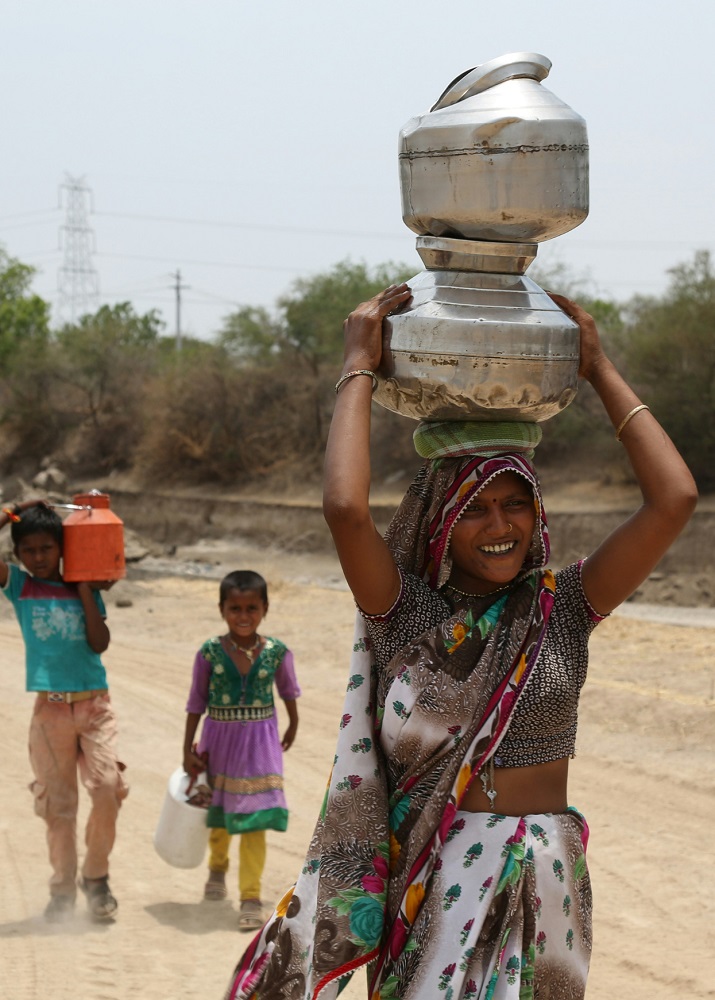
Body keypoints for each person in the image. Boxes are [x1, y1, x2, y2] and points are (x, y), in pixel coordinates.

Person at [225, 284, 697, 999]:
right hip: (439, 877)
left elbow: (674, 500)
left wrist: (598, 369)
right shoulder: (406, 617)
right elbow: (346, 509)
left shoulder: (562, 608)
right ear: (440, 521)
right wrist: (358, 363)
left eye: (514, 502)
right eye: (473, 508)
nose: (498, 523)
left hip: (545, 878)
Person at [0, 500, 128, 923]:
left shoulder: (83, 584)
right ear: (17, 555)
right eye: (29, 550)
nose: (38, 558)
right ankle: (62, 891)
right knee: (58, 806)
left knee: (107, 787)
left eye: (47, 549)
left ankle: (96, 878)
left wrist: (86, 590)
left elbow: (99, 643)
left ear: (62, 548)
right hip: (49, 711)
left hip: (94, 704)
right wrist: (7, 514)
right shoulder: (20, 587)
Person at [183, 569, 301, 932]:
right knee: (219, 814)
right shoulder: (208, 653)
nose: (244, 616)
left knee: (256, 819)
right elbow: (196, 702)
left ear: (264, 608)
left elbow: (288, 692)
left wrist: (293, 723)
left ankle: (251, 895)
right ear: (222, 610)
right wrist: (186, 748)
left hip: (260, 745)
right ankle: (217, 868)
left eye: (252, 607)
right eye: (235, 608)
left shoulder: (277, 652)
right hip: (218, 741)